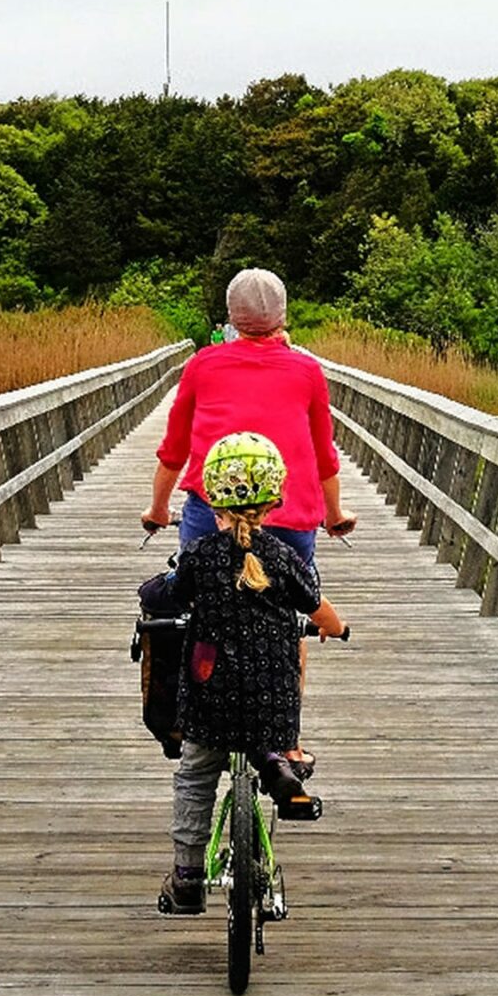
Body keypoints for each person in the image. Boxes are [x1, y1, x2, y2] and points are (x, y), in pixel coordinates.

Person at [156, 432, 348, 916]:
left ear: (213, 499)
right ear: (274, 501)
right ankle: (276, 762)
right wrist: (337, 627)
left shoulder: (199, 555)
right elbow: (317, 606)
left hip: (209, 696)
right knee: (263, 727)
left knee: (196, 776)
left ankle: (187, 878)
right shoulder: (284, 558)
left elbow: (173, 596)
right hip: (272, 698)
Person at [141, 268, 355, 568]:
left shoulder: (202, 364)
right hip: (290, 519)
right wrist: (334, 515)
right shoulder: (307, 370)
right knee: (303, 586)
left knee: (191, 586)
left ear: (232, 316)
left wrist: (158, 509)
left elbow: (174, 451)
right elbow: (324, 456)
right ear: (282, 316)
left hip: (213, 517)